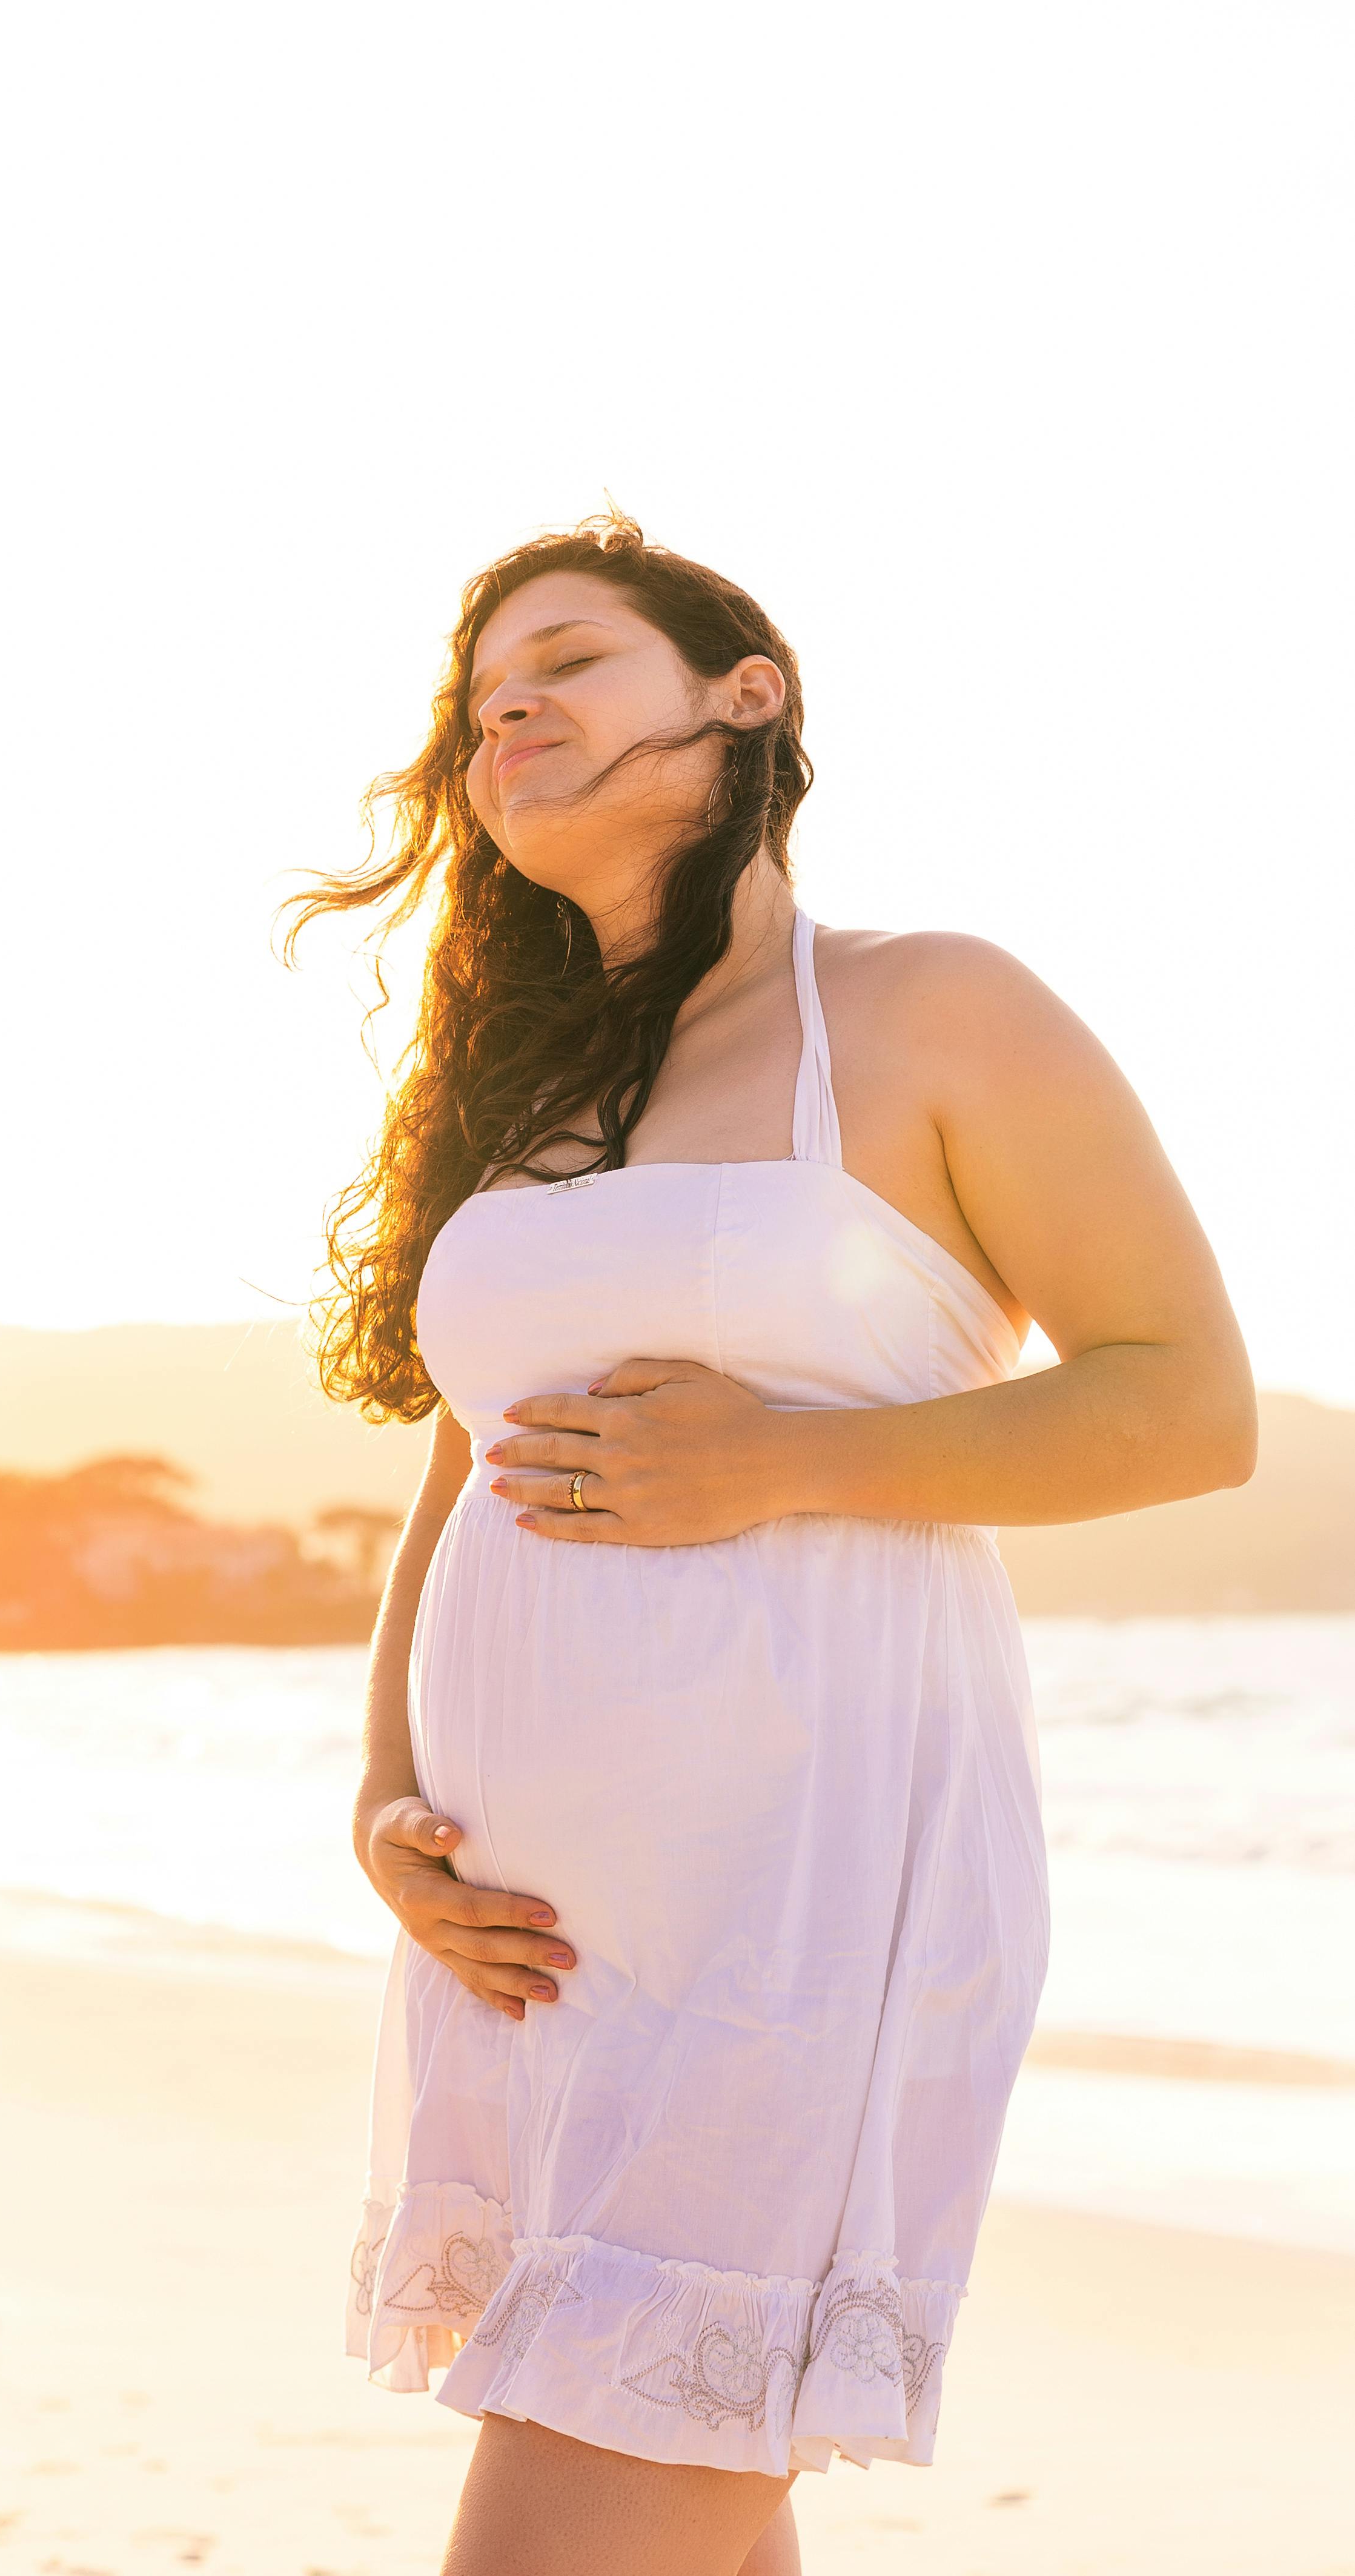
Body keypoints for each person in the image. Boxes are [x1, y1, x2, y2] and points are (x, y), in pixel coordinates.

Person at [289, 516, 1254, 2576]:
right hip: (527, 1936)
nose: (507, 714)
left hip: (805, 1905)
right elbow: (465, 1476)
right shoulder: (518, 1090)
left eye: (564, 661)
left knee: (573, 2505)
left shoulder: (929, 1011)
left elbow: (1184, 1406)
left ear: (746, 696)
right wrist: (383, 1801)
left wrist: (782, 1465)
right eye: (478, 707)